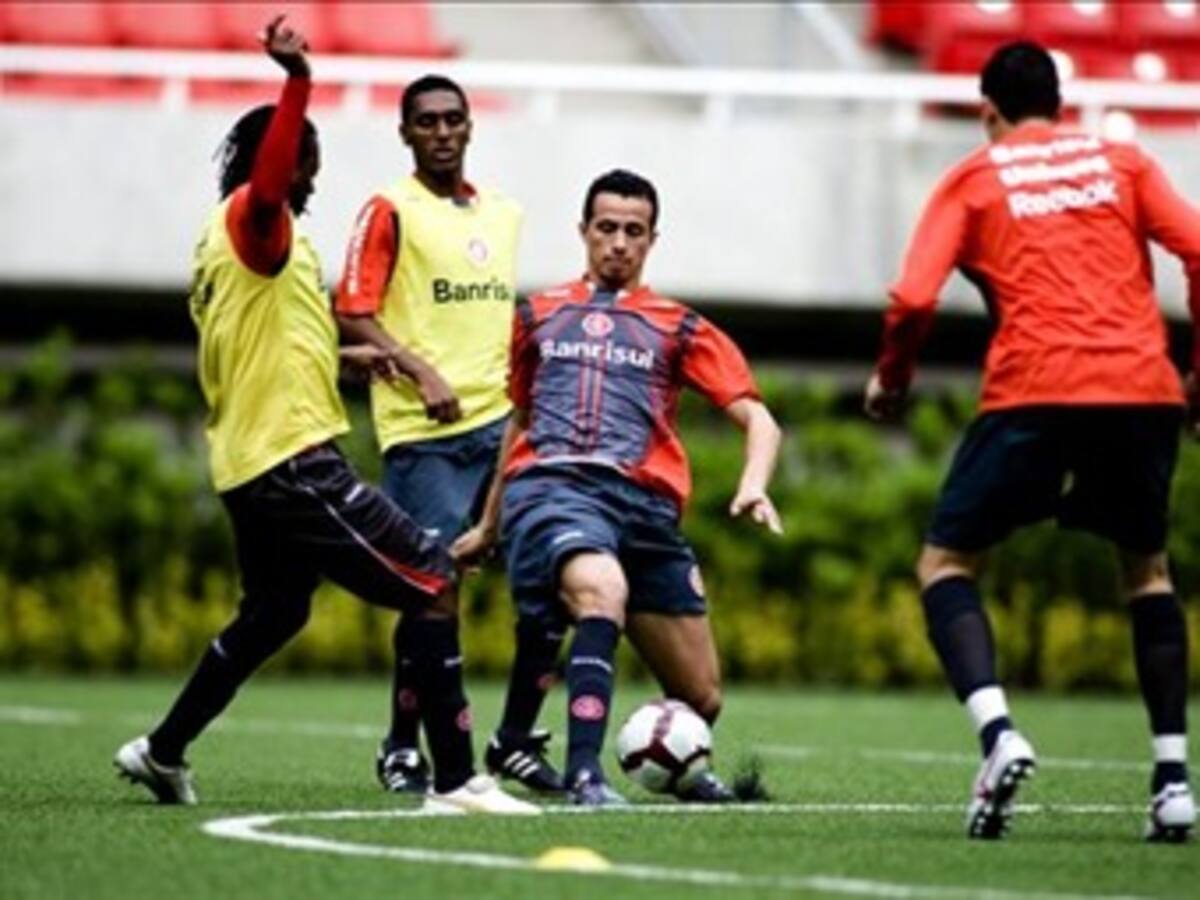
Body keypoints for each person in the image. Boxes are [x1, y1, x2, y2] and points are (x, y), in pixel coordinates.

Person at [112, 17, 535, 816]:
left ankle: (162, 751)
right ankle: (455, 782)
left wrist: (351, 360)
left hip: (245, 463)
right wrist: (298, 82)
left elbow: (266, 345)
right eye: (310, 163)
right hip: (291, 460)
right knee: (434, 578)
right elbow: (272, 183)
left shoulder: (223, 249)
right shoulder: (257, 221)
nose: (311, 180)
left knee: (276, 609)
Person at [864, 41, 1200, 842]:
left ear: (987, 112)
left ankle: (998, 736)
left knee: (946, 564)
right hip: (1140, 387)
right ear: (1060, 103)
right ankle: (1173, 781)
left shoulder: (975, 177)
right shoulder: (1123, 162)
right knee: (1146, 573)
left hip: (1035, 388)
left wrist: (893, 377)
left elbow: (913, 297)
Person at [453, 169, 783, 807]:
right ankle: (585, 775)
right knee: (601, 591)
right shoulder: (536, 314)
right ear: (584, 231)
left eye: (635, 231)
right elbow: (521, 419)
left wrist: (753, 484)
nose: (619, 243)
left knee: (701, 697)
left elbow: (759, 419)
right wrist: (489, 525)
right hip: (555, 489)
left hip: (647, 511)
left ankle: (654, 757)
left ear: (652, 240)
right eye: (607, 228)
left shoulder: (680, 325)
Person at [334, 75, 562, 796]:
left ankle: (515, 739)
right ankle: (404, 747)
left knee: (551, 575)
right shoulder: (388, 209)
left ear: (469, 127)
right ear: (405, 132)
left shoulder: (504, 214)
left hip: (502, 428)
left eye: (452, 120)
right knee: (431, 590)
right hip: (424, 435)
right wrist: (419, 369)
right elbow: (352, 310)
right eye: (426, 121)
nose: (441, 132)